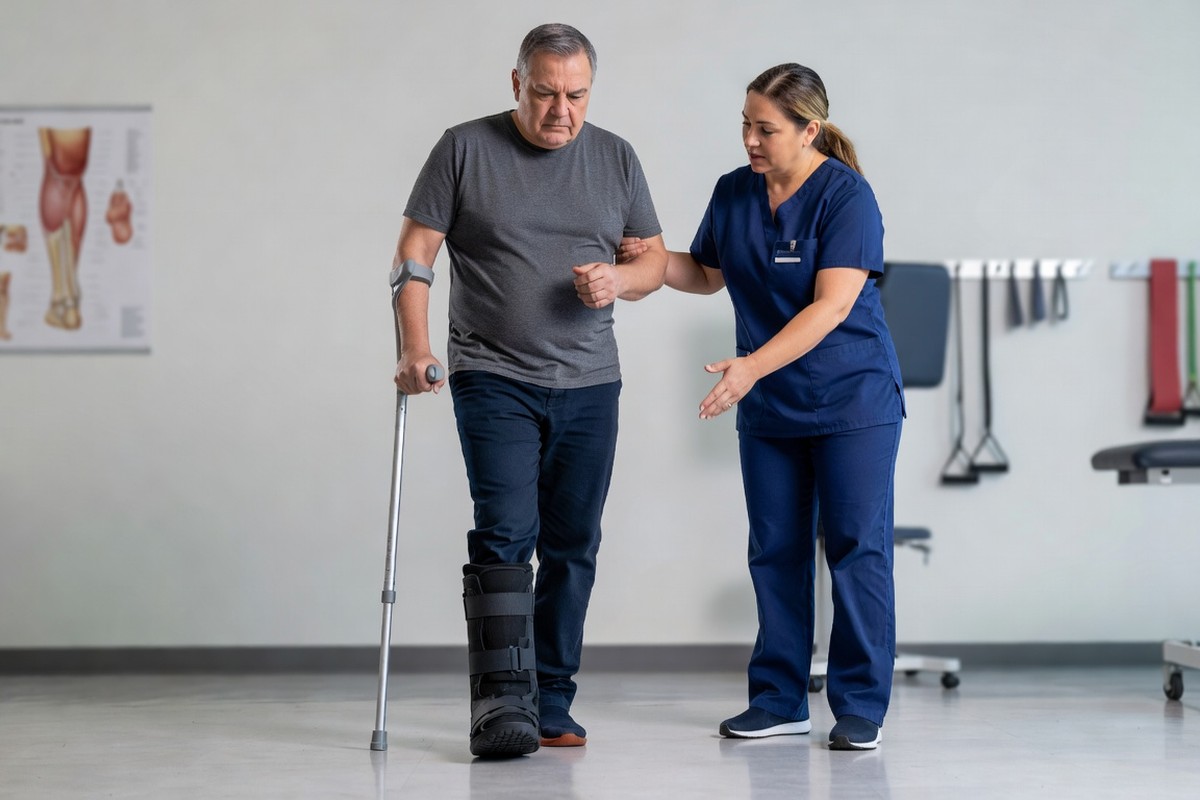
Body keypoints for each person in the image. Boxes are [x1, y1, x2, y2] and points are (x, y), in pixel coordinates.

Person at [390, 23, 667, 758]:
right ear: (517, 83)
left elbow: (654, 263)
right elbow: (415, 254)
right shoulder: (464, 148)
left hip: (590, 381)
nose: (560, 112)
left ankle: (552, 699)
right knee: (506, 531)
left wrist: (620, 279)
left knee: (573, 543)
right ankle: (499, 705)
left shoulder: (615, 158)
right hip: (492, 374)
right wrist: (414, 349)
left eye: (576, 96)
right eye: (545, 94)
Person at [621, 62, 903, 750]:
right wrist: (647, 264)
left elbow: (832, 306)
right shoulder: (734, 192)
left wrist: (748, 368)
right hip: (772, 405)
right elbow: (708, 272)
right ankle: (779, 699)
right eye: (745, 124)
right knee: (774, 551)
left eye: (765, 128)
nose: (750, 138)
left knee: (855, 551)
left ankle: (860, 704)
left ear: (809, 130)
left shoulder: (846, 197)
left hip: (852, 399)